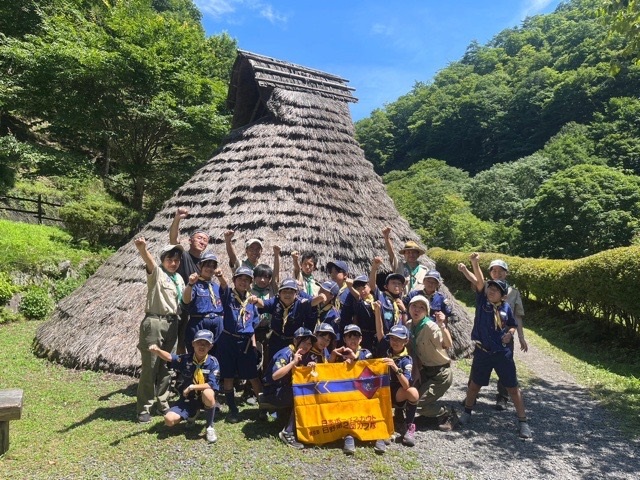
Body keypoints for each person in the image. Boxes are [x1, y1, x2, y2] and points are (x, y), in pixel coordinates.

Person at [458, 253, 532, 439]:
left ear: (503, 295)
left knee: (513, 387)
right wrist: (474, 264)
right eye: (490, 288)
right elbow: (480, 281)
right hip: (483, 351)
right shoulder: (483, 301)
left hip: (502, 353)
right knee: (474, 384)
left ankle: (523, 422)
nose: (491, 290)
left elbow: (513, 324)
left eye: (495, 290)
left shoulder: (506, 307)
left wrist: (511, 334)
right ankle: (467, 412)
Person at [133, 237, 185, 423]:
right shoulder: (157, 273)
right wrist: (142, 248)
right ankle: (144, 407)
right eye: (169, 259)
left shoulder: (178, 278)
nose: (173, 263)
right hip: (155, 322)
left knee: (166, 365)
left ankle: (163, 402)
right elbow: (149, 262)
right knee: (151, 366)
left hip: (172, 323)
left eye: (176, 260)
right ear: (163, 260)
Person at [148, 329, 220, 443]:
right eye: (199, 342)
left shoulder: (213, 362)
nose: (202, 346)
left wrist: (192, 387)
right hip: (187, 399)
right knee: (168, 420)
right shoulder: (186, 359)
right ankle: (192, 414)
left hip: (203, 398)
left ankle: (209, 427)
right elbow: (170, 357)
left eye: (206, 344)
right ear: (193, 344)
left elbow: (212, 384)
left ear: (210, 346)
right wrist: (157, 351)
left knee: (208, 392)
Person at [327, 324, 385, 454]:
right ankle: (349, 435)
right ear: (344, 339)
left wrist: (355, 359)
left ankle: (378, 435)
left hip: (364, 393)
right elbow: (327, 374)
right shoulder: (338, 353)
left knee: (374, 406)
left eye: (356, 337)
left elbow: (373, 369)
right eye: (349, 337)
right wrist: (332, 359)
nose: (353, 340)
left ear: (361, 339)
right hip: (345, 394)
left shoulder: (366, 352)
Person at [216, 265, 263, 423]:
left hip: (246, 343)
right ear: (234, 280)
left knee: (253, 377)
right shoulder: (228, 295)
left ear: (250, 282)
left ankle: (263, 407)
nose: (243, 282)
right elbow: (223, 285)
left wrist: (254, 345)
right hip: (228, 340)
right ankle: (232, 409)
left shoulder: (252, 300)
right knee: (228, 376)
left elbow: (253, 324)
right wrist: (221, 276)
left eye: (246, 279)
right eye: (240, 279)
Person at [404, 295, 456, 432]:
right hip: (425, 371)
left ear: (426, 312)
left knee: (419, 404)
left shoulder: (430, 326)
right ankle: (432, 415)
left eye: (421, 308)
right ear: (409, 308)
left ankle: (447, 413)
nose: (417, 310)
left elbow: (447, 344)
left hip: (441, 373)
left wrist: (442, 326)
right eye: (414, 306)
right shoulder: (409, 325)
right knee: (411, 399)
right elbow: (410, 349)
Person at [262, 327, 317, 449]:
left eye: (309, 343)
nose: (307, 346)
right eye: (304, 342)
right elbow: (275, 376)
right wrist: (292, 363)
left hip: (284, 389)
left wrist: (308, 367)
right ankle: (288, 432)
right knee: (301, 396)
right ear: (296, 340)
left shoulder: (304, 355)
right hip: (272, 391)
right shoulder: (286, 353)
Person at [169, 207, 210, 353]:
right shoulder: (184, 256)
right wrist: (177, 219)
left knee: (193, 339)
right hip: (182, 304)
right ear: (190, 240)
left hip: (198, 307)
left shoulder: (205, 264)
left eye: (205, 240)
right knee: (180, 338)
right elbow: (173, 240)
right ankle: (179, 370)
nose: (202, 242)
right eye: (199, 238)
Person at [257, 278, 325, 363]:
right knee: (273, 363)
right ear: (279, 293)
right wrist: (255, 300)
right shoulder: (275, 301)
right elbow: (263, 304)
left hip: (293, 341)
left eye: (291, 292)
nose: (287, 295)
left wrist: (320, 298)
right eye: (284, 292)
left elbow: (311, 302)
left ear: (296, 294)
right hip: (276, 339)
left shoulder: (300, 303)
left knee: (292, 364)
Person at [375, 322, 420, 447]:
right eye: (393, 338)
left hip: (396, 393)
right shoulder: (385, 351)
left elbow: (406, 386)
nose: (395, 342)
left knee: (413, 393)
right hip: (382, 391)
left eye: (399, 339)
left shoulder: (407, 360)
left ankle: (409, 426)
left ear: (406, 341)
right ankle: (384, 427)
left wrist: (395, 368)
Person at [181, 252, 223, 354]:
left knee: (217, 354)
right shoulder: (194, 284)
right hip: (199, 322)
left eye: (213, 266)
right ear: (200, 266)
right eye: (207, 265)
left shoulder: (217, 286)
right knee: (197, 354)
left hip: (217, 323)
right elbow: (186, 300)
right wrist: (190, 285)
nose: (209, 269)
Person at [369, 256, 408, 354]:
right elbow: (372, 286)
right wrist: (374, 268)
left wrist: (403, 310)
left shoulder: (400, 301)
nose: (397, 285)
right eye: (393, 283)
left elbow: (404, 323)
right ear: (386, 286)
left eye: (399, 284)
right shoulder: (382, 297)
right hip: (385, 338)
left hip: (399, 339)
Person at [382, 226, 429, 294]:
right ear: (404, 254)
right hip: (401, 301)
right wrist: (386, 237)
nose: (411, 255)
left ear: (418, 255)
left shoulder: (425, 270)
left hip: (418, 302)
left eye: (414, 252)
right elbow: (391, 253)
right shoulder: (399, 266)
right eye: (408, 252)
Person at [340, 275, 377, 351]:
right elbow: (357, 296)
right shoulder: (357, 301)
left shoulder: (376, 299)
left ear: (369, 287)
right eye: (358, 289)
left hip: (375, 334)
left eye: (364, 287)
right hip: (363, 334)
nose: (362, 291)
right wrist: (350, 287)